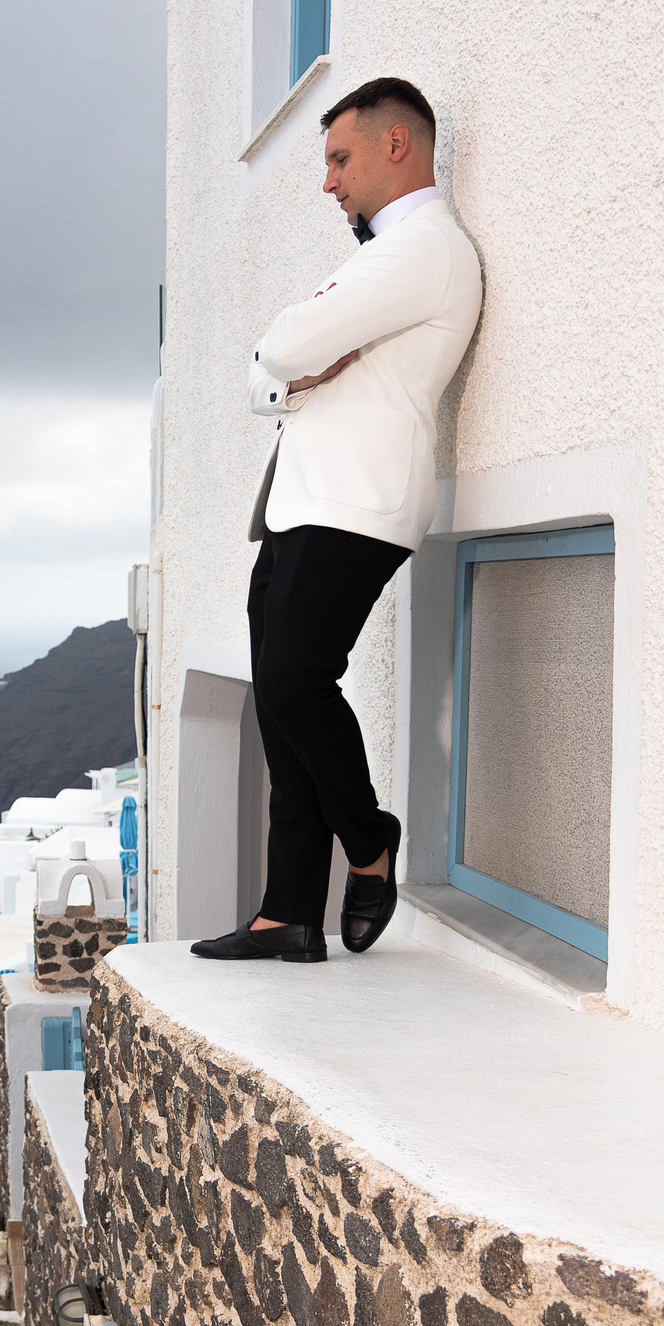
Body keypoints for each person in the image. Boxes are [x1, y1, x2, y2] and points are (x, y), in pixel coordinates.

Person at [192, 77, 484, 965]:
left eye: (339, 158)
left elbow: (281, 347)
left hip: (356, 504)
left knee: (293, 684)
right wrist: (294, 351)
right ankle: (288, 912)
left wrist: (295, 344)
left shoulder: (424, 247)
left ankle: (369, 844)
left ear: (398, 146)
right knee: (280, 715)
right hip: (301, 506)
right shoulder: (378, 259)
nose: (328, 182)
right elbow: (267, 376)